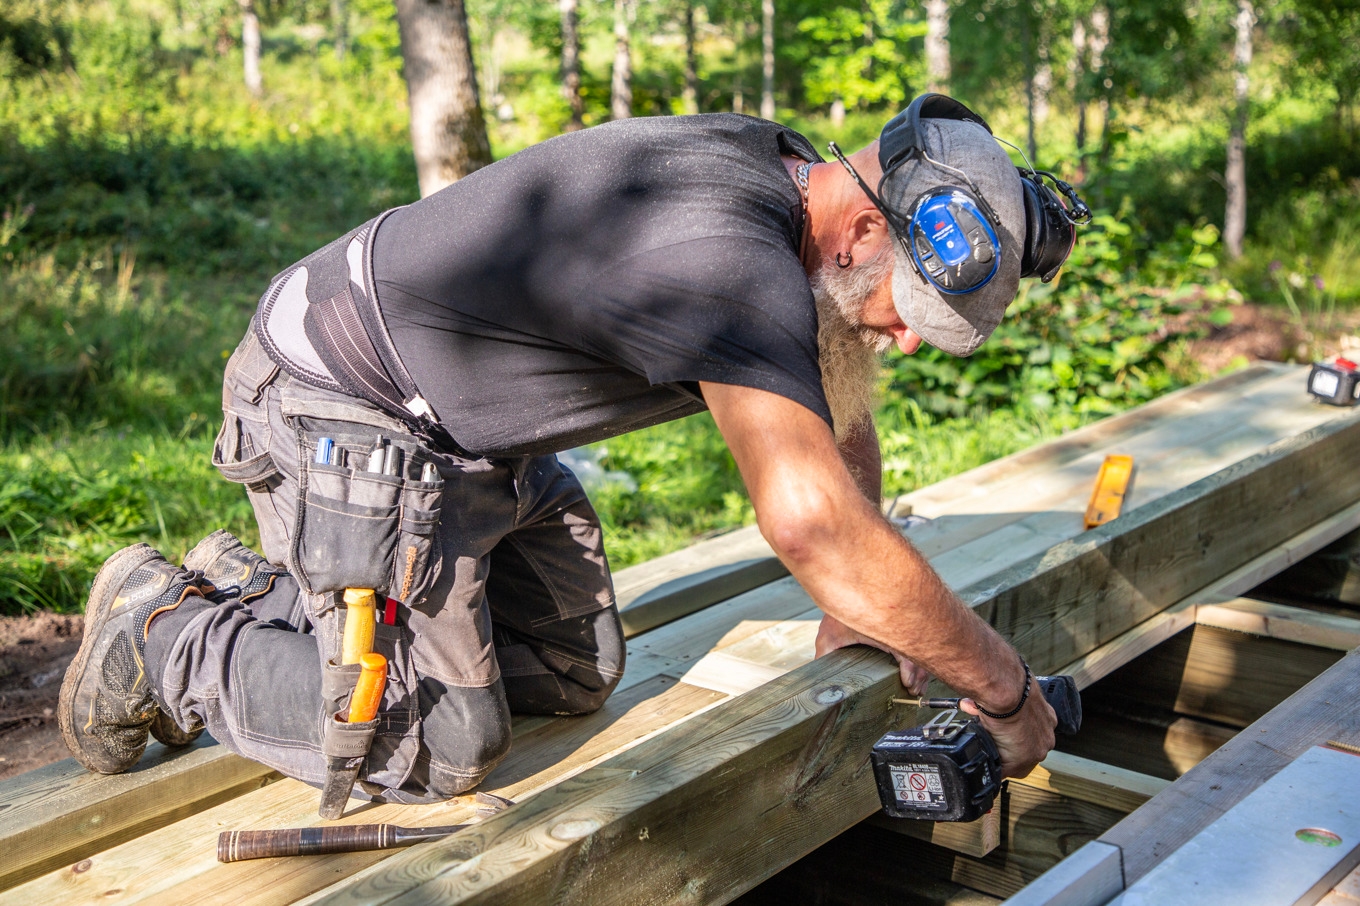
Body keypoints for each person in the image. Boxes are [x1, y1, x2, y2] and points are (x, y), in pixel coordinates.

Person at [59, 94, 1086, 804]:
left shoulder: (795, 193)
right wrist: (998, 686)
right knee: (438, 742)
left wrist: (861, 606)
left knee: (568, 670)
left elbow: (835, 427)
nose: (902, 338)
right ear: (860, 229)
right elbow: (811, 518)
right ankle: (161, 630)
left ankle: (278, 593)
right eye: (905, 312)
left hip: (467, 431)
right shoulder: (723, 258)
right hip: (344, 402)